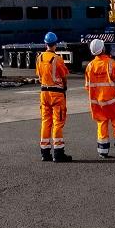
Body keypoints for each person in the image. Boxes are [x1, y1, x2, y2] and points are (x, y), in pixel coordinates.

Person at [83, 38, 115, 158]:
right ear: (103, 49)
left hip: (97, 102)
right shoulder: (112, 63)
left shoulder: (90, 66)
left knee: (102, 124)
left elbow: (88, 86)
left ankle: (103, 152)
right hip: (112, 101)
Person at [36, 32, 73, 162]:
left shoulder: (39, 58)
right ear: (55, 44)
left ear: (45, 43)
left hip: (44, 93)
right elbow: (64, 77)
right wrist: (64, 88)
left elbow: (39, 76)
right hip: (56, 94)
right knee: (58, 122)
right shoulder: (57, 59)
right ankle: (58, 153)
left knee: (46, 122)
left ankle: (45, 153)